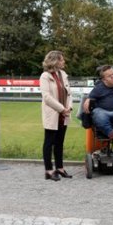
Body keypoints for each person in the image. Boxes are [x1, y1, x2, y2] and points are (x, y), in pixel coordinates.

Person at [39, 50, 73, 181]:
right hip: (53, 114)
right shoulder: (45, 76)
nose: (64, 61)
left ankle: (60, 168)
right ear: (55, 61)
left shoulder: (63, 74)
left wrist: (69, 107)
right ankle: (48, 170)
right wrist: (62, 109)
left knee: (59, 142)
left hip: (63, 114)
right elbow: (47, 97)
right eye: (62, 59)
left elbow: (69, 93)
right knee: (49, 142)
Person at [84, 65, 113, 141]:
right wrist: (87, 101)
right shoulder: (98, 88)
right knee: (97, 113)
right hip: (103, 111)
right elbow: (90, 98)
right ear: (104, 80)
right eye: (110, 76)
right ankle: (110, 133)